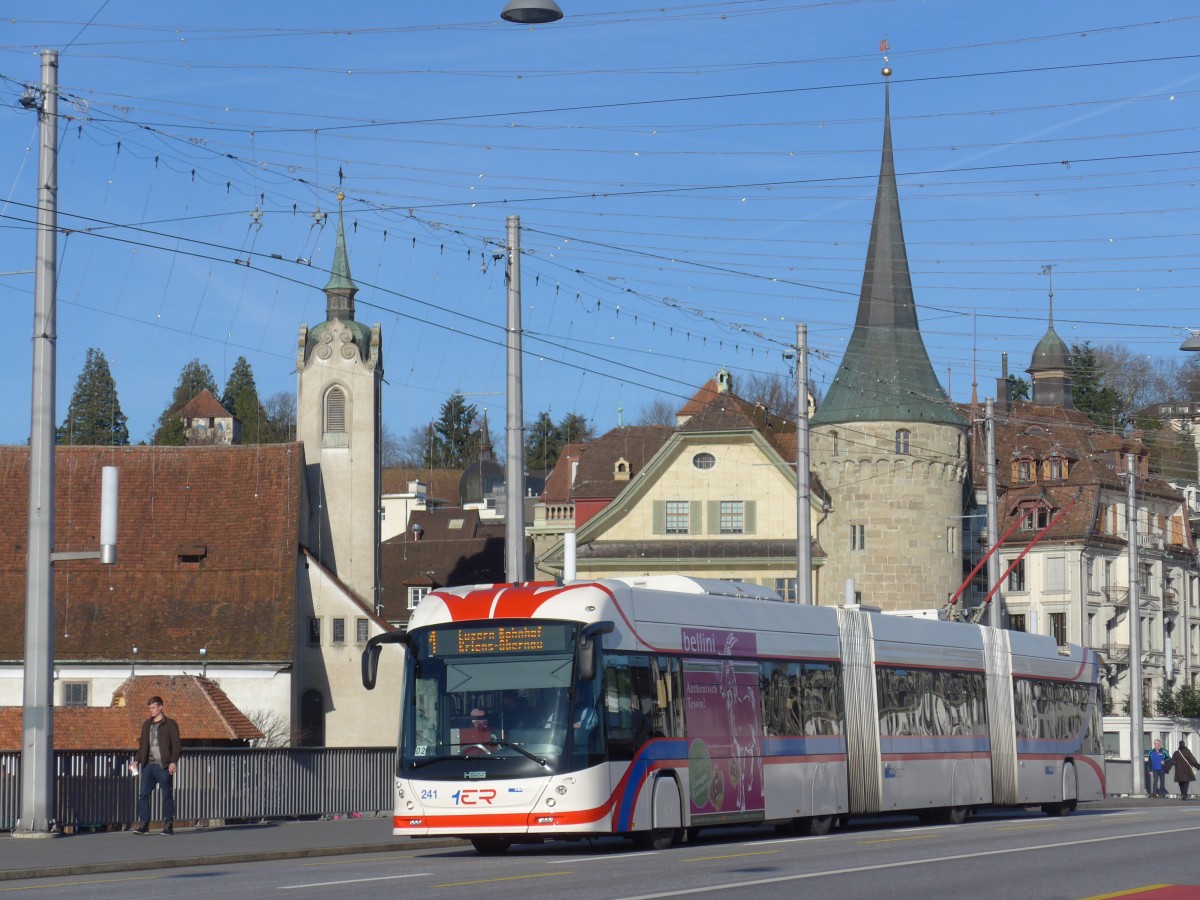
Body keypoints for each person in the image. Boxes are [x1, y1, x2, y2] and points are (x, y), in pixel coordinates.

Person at [131, 695, 182, 835]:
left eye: (153, 708)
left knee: (167, 795)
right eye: (150, 708)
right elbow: (142, 746)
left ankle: (168, 825)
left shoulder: (170, 724)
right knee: (143, 795)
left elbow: (176, 745)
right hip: (148, 766)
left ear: (160, 707)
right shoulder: (146, 725)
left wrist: (173, 761)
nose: (151, 711)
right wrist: (137, 760)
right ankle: (144, 824)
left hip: (164, 766)